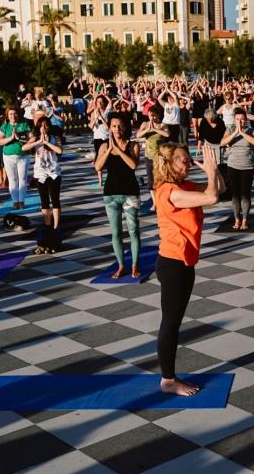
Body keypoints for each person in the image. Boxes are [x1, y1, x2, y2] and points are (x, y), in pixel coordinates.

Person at [153, 142, 226, 395]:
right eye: (182, 160)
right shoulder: (169, 192)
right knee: (170, 323)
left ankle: (169, 377)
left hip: (184, 262)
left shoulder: (184, 186)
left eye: (187, 159)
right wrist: (211, 172)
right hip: (172, 263)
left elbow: (220, 190)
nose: (187, 163)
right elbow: (212, 197)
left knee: (175, 321)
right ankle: (168, 380)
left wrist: (213, 172)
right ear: (169, 164)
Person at [95, 116, 142, 279]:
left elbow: (133, 165)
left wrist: (119, 150)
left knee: (133, 231)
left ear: (125, 127)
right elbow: (97, 166)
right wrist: (109, 149)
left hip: (130, 193)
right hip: (110, 195)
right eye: (114, 126)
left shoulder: (133, 145)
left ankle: (135, 264)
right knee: (116, 233)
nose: (117, 129)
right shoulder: (103, 146)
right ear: (109, 128)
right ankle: (121, 265)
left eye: (120, 126)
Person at [22, 117, 64, 249]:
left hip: (54, 173)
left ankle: (56, 226)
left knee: (55, 200)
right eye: (41, 125)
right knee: (44, 201)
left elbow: (59, 150)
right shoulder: (35, 139)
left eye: (46, 125)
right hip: (40, 174)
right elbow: (24, 148)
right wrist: (39, 141)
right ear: (38, 127)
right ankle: (47, 225)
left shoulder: (54, 137)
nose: (44, 128)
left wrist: (46, 142)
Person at [220, 108, 254, 230]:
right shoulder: (230, 129)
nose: (240, 121)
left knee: (245, 194)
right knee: (235, 194)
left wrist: (242, 133)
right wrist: (235, 132)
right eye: (237, 119)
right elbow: (222, 142)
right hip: (233, 165)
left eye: (242, 119)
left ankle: (245, 220)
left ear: (246, 120)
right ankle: (237, 219)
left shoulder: (252, 130)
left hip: (247, 165)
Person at [0, 106, 32, 210]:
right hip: (8, 157)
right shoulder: (5, 127)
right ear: (8, 116)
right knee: (12, 179)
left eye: (15, 113)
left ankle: (21, 201)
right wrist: (11, 138)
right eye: (11, 114)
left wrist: (20, 139)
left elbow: (31, 138)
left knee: (22, 179)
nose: (13, 116)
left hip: (23, 156)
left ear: (18, 114)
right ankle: (15, 201)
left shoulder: (24, 125)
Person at [137, 111, 169, 212]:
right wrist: (148, 129)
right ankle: (155, 203)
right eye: (150, 114)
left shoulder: (162, 125)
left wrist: (155, 129)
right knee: (151, 181)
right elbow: (138, 135)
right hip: (149, 156)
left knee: (162, 179)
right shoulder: (144, 124)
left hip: (160, 157)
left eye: (154, 114)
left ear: (158, 115)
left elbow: (167, 134)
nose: (152, 116)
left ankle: (163, 201)